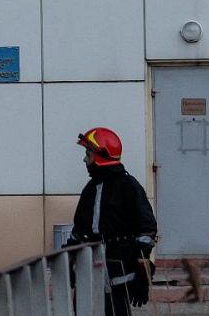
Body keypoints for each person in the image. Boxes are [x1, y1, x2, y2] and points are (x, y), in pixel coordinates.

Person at [67, 126, 157, 316]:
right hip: (90, 273)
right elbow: (79, 230)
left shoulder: (129, 187)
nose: (84, 159)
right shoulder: (90, 189)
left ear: (101, 155)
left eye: (88, 153)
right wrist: (69, 261)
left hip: (119, 273)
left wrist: (143, 267)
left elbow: (147, 230)